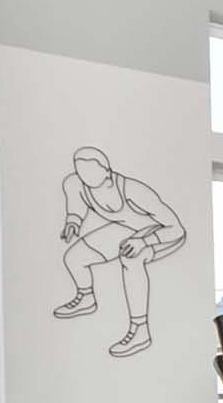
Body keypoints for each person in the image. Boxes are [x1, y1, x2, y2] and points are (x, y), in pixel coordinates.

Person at [52, 146, 185, 357]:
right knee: (74, 257)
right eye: (82, 173)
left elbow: (176, 229)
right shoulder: (74, 183)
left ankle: (140, 329)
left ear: (107, 172)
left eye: (91, 173)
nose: (86, 178)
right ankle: (86, 298)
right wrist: (73, 223)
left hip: (160, 231)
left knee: (131, 257)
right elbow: (76, 207)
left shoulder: (133, 190)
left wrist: (145, 242)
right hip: (126, 227)